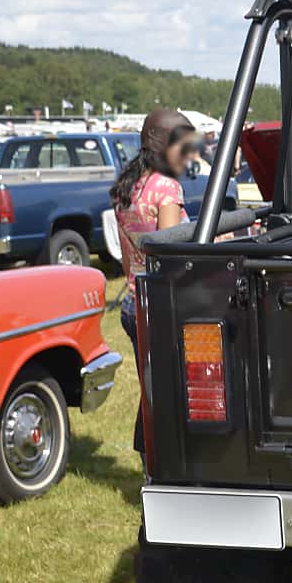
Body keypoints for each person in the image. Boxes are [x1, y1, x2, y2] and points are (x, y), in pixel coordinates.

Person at [110, 107, 197, 448]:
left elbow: (126, 261)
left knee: (151, 389)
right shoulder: (167, 189)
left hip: (134, 301)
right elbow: (168, 255)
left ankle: (149, 458)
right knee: (171, 391)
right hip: (161, 305)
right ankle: (159, 458)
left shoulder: (126, 188)